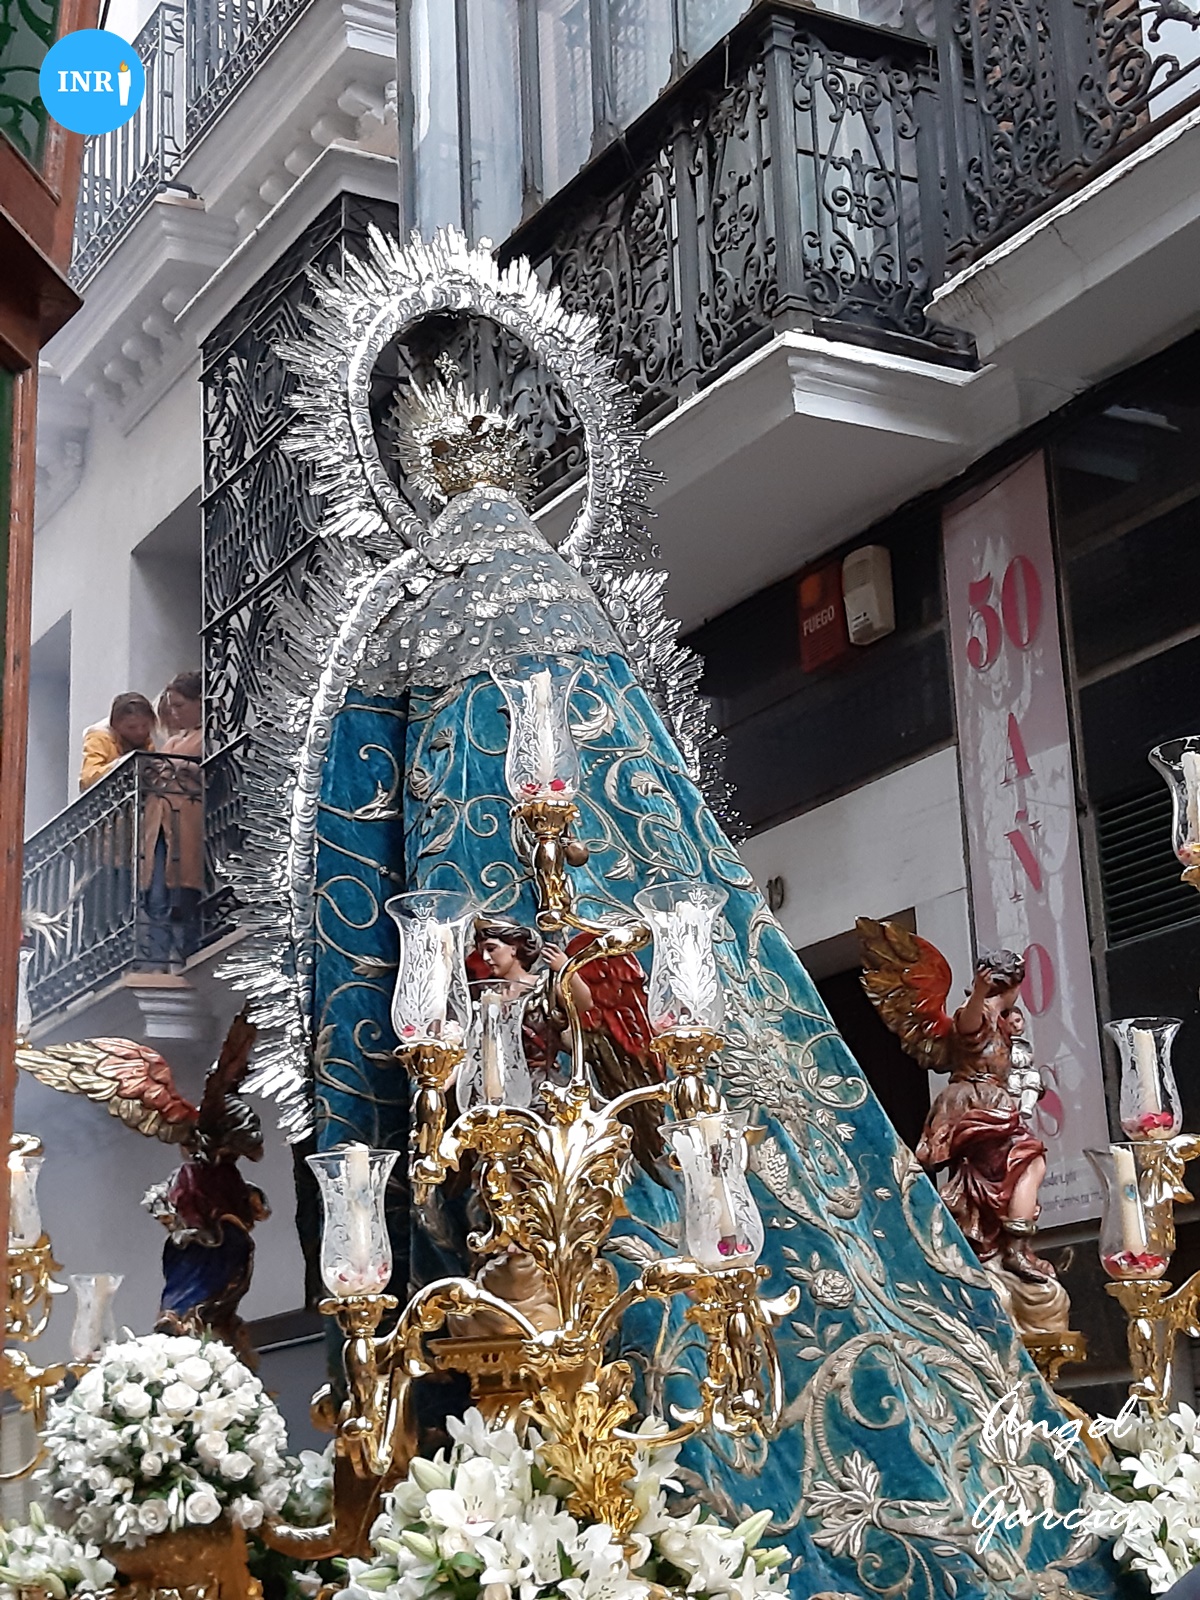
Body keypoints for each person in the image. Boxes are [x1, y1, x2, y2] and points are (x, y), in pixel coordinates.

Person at [230, 327, 1122, 1594]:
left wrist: (387, 1131)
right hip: (577, 1094)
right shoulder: (560, 621)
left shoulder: (397, 635)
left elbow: (348, 930)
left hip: (546, 1109)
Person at [141, 671, 204, 967]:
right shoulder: (172, 741)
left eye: (180, 705)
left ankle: (185, 956)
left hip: (186, 823)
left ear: (199, 702)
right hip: (159, 824)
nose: (175, 713)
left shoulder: (206, 736)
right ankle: (157, 961)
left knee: (182, 890)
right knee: (156, 894)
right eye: (171, 707)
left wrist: (186, 770)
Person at [78, 691, 155, 790]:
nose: (140, 732)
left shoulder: (145, 738)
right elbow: (87, 779)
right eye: (131, 727)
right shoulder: (100, 737)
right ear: (114, 725)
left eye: (145, 725)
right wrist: (122, 765)